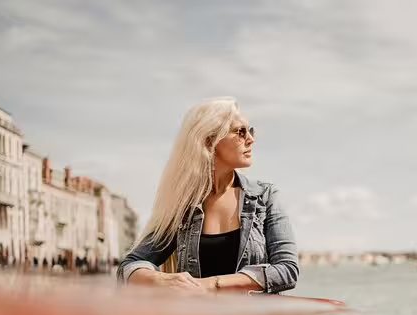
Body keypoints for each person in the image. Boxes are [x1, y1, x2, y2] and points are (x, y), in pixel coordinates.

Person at [117, 97, 299, 295]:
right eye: (241, 132)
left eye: (250, 130)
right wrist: (161, 280)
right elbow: (129, 266)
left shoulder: (265, 198)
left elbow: (287, 270)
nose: (251, 139)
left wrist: (211, 284)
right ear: (210, 140)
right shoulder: (183, 207)